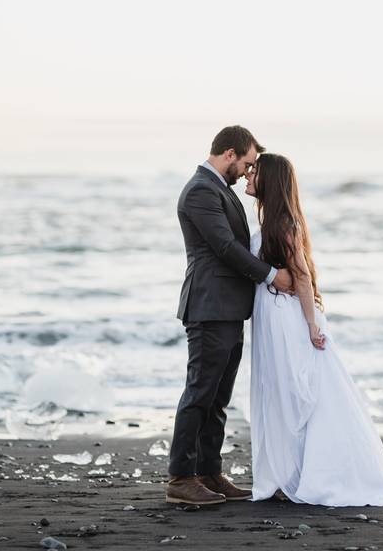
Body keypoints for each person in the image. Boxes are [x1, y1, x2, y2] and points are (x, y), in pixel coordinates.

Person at [244, 153, 383, 506]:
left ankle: (304, 472)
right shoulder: (273, 223)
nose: (248, 175)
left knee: (293, 391)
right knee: (277, 392)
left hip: (286, 319)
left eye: (254, 172)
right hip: (270, 315)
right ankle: (285, 472)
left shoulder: (284, 225)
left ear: (270, 181)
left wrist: (311, 325)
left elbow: (303, 276)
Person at [166, 126, 294, 505]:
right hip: (209, 306)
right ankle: (180, 477)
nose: (248, 171)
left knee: (218, 396)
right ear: (229, 153)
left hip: (228, 308)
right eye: (248, 163)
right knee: (200, 392)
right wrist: (273, 275)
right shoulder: (201, 191)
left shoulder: (219, 189)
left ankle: (208, 471)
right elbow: (224, 246)